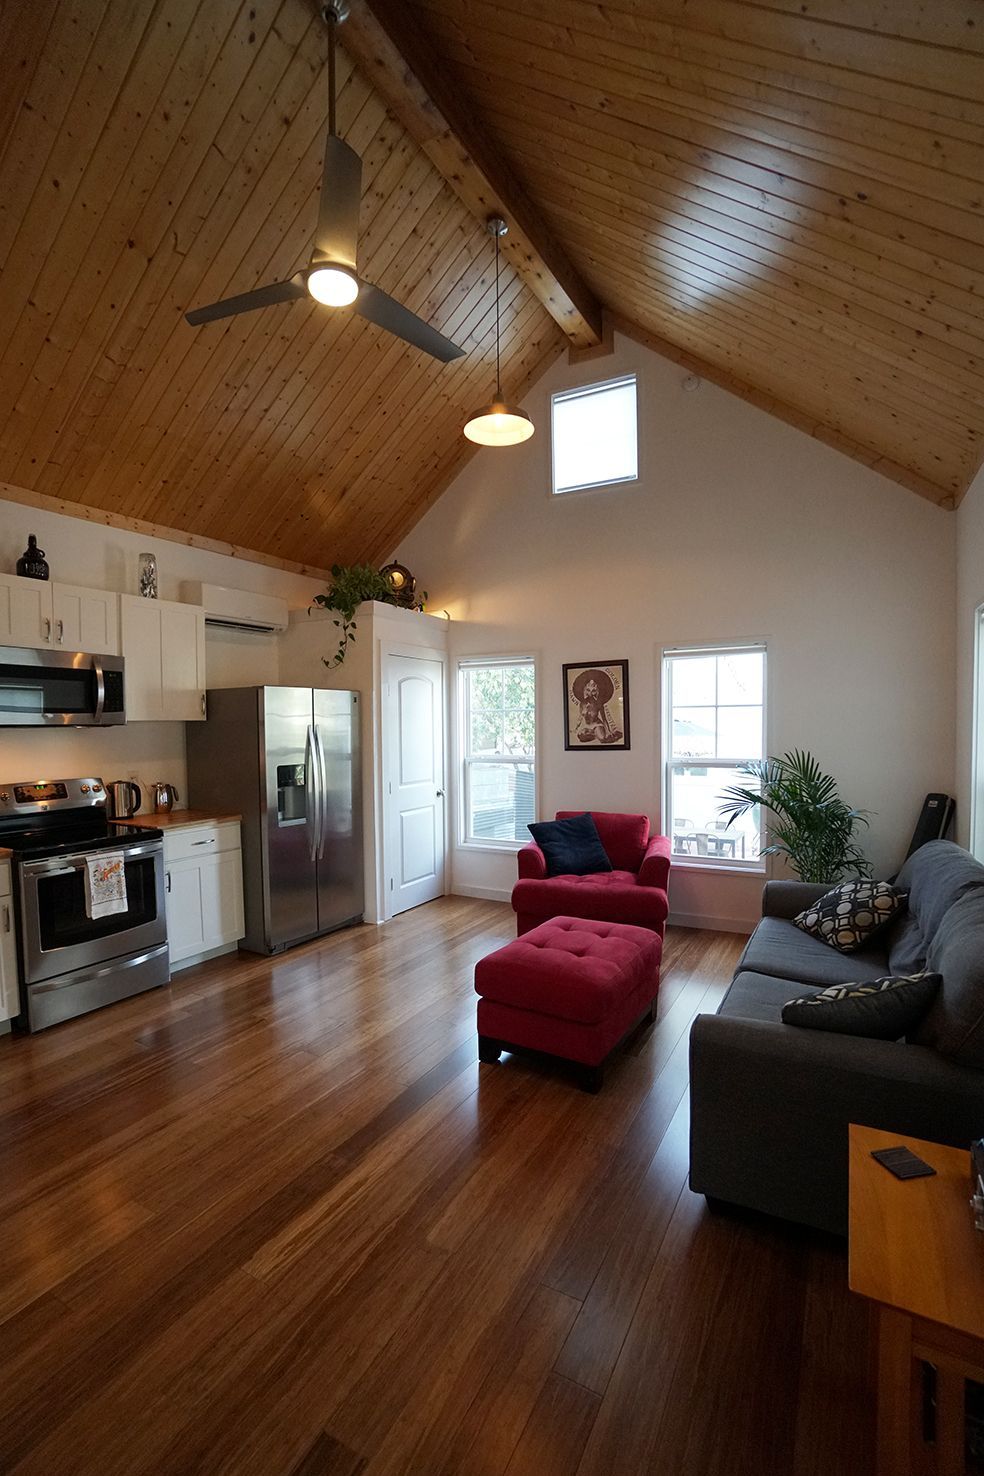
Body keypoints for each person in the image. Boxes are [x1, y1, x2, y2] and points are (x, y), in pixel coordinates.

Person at [571, 668, 623, 745]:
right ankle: (593, 734)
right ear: (585, 690)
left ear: (597, 691)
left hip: (596, 725)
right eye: (588, 690)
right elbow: (581, 717)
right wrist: (575, 729)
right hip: (587, 726)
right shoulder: (582, 703)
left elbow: (604, 719)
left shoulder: (599, 704)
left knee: (602, 739)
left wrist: (608, 731)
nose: (590, 693)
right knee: (580, 736)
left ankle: (602, 734)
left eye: (593, 691)